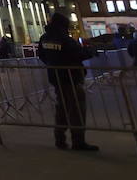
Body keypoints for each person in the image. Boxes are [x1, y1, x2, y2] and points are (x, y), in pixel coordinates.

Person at [36, 12, 98, 151]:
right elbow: (78, 54)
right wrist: (91, 51)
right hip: (71, 78)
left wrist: (52, 65)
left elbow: (41, 55)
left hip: (56, 78)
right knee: (76, 110)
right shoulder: (65, 39)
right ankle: (78, 141)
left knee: (62, 108)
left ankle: (60, 139)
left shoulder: (45, 38)